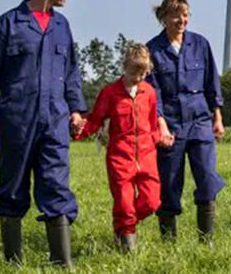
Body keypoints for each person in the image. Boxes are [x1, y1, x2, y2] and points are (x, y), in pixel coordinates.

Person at [0, 0, 87, 266]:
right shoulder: (7, 24)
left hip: (55, 120)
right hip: (15, 121)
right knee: (12, 187)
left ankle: (62, 263)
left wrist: (76, 110)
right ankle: (13, 264)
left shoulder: (62, 26)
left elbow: (72, 72)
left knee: (56, 185)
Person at [73, 43, 172, 252]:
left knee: (152, 202)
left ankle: (123, 227)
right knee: (125, 204)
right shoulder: (110, 93)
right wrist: (79, 131)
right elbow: (96, 119)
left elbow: (152, 123)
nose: (139, 77)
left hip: (147, 156)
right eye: (135, 72)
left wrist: (161, 137)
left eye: (144, 73)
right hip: (120, 158)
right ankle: (127, 246)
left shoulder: (149, 93)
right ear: (124, 66)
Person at [146, 0, 225, 242]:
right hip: (170, 123)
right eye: (176, 16)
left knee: (207, 178)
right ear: (164, 17)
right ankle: (169, 243)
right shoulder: (153, 50)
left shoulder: (201, 45)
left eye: (186, 15)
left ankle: (206, 240)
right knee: (169, 182)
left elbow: (212, 83)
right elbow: (153, 93)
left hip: (200, 120)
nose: (182, 21)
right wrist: (161, 125)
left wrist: (217, 117)